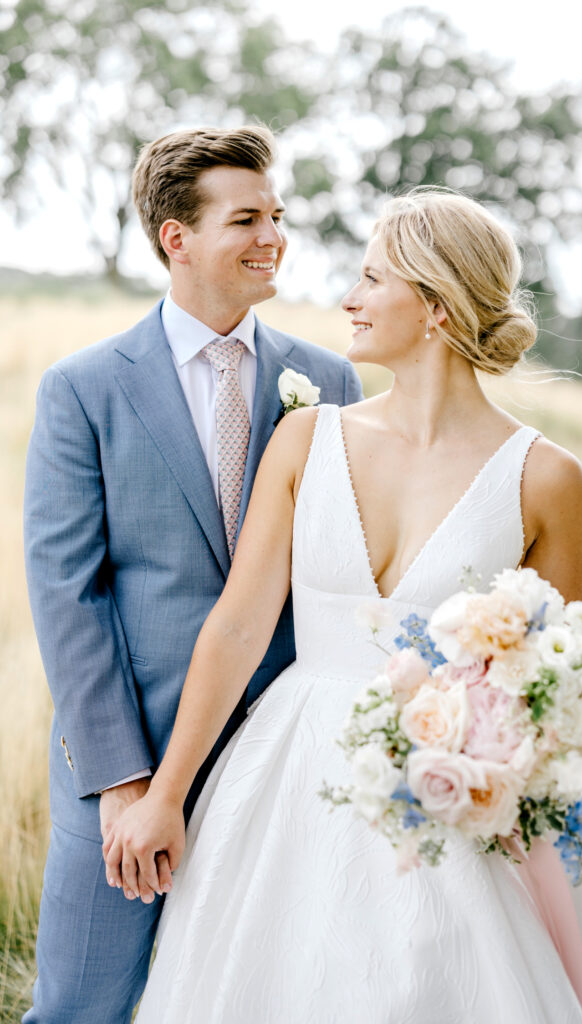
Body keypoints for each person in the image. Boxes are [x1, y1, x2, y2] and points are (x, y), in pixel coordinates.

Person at [104, 188, 582, 1022]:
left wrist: (495, 774)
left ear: (437, 307)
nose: (349, 298)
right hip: (288, 776)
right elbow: (236, 627)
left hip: (458, 797)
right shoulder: (306, 440)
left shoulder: (547, 479)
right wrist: (166, 792)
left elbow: (557, 684)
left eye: (372, 279)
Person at [22, 124, 363, 1023]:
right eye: (246, 218)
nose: (273, 237)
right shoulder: (83, 388)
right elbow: (69, 596)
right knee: (83, 1002)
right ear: (177, 237)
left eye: (277, 216)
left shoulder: (329, 380)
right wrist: (125, 782)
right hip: (128, 757)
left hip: (287, 753)